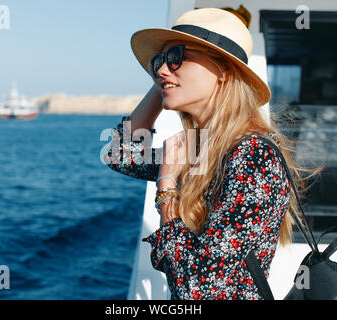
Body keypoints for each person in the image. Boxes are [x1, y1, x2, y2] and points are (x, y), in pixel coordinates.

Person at [103, 8, 318, 300]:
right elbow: (119, 154)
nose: (162, 70)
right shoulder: (201, 148)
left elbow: (196, 288)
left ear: (224, 70)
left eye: (177, 57)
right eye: (158, 63)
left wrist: (166, 187)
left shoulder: (253, 158)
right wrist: (164, 81)